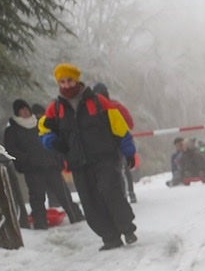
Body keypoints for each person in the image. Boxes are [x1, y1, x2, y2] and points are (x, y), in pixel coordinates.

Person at [40, 63, 137, 250]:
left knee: (111, 192)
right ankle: (109, 237)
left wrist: (129, 151)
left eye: (70, 80)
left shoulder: (98, 102)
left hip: (105, 158)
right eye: (62, 82)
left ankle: (127, 228)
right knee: (90, 201)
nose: (67, 85)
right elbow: (44, 131)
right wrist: (52, 141)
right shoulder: (55, 109)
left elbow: (120, 128)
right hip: (78, 163)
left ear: (77, 80)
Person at [1, 99, 83, 228]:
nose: (25, 112)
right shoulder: (13, 130)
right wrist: (28, 160)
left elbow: (53, 140)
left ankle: (77, 218)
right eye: (22, 110)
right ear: (17, 113)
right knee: (37, 198)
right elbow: (12, 150)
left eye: (26, 108)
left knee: (64, 194)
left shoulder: (40, 123)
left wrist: (58, 158)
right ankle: (41, 224)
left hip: (51, 165)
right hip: (33, 170)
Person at [92, 82, 137, 203]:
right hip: (119, 141)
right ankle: (129, 193)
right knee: (123, 169)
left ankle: (118, 197)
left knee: (114, 170)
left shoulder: (92, 109)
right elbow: (130, 124)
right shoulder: (116, 105)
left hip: (106, 144)